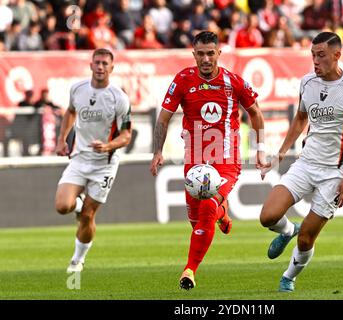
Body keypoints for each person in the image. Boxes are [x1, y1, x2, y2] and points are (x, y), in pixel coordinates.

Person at [150, 31, 268, 290]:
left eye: (210, 53)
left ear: (218, 53)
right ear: (193, 54)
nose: (205, 59)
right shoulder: (182, 80)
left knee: (205, 210)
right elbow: (164, 117)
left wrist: (260, 151)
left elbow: (256, 114)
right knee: (196, 221)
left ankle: (189, 270)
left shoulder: (233, 82)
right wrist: (157, 151)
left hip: (226, 159)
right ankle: (223, 215)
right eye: (200, 54)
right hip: (194, 158)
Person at [259, 32, 343, 292]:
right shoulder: (307, 83)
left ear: (337, 55)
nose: (315, 61)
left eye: (321, 55)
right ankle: (288, 230)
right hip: (305, 163)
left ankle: (288, 277)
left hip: (335, 173)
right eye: (312, 55)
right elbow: (300, 119)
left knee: (307, 238)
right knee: (268, 216)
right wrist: (280, 154)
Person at [54, 48, 132, 273]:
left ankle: (77, 260)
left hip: (104, 164)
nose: (100, 67)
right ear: (90, 65)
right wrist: (62, 141)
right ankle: (77, 202)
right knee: (62, 206)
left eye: (104, 64)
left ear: (111, 68)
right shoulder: (77, 89)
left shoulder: (119, 98)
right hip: (79, 159)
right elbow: (70, 112)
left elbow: (126, 135)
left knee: (87, 216)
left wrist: (108, 145)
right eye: (96, 63)